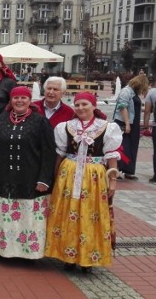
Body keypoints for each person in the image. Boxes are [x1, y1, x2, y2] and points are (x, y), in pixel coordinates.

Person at [45, 92, 122, 273]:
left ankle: (88, 257)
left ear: (94, 106)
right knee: (68, 213)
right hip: (69, 173)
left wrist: (113, 182)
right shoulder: (66, 127)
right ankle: (68, 256)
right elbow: (60, 154)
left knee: (91, 214)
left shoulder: (106, 128)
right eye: (77, 105)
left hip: (94, 177)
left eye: (84, 104)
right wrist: (55, 178)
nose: (80, 108)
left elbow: (111, 157)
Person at [0, 86, 55, 259]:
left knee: (26, 217)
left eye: (23, 98)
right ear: (11, 101)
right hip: (3, 177)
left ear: (30, 101)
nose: (19, 101)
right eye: (16, 98)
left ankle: (26, 253)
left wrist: (44, 179)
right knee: (4, 216)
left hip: (29, 178)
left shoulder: (40, 122)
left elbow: (48, 152)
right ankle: (1, 249)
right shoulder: (0, 120)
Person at [114, 75, 149, 180]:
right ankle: (117, 170)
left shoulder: (133, 93)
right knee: (123, 147)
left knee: (132, 147)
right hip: (124, 123)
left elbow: (133, 107)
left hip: (134, 123)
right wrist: (127, 123)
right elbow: (122, 107)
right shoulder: (126, 91)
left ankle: (129, 170)